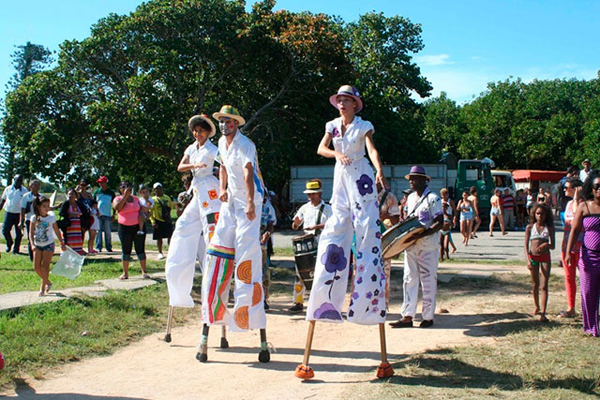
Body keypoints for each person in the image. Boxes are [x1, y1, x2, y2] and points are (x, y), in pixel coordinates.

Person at [199, 105, 268, 357]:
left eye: (229, 121)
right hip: (230, 203)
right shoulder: (221, 142)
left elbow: (249, 173)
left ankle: (248, 316)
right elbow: (223, 167)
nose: (226, 125)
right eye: (223, 121)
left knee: (247, 256)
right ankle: (213, 313)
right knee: (217, 252)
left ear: (237, 124)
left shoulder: (246, 145)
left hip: (249, 202)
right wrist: (222, 188)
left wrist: (250, 202)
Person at [166, 114, 221, 309]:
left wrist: (225, 187)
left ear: (207, 131)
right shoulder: (191, 148)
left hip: (210, 191)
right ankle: (178, 281)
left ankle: (214, 276)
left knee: (210, 232)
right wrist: (194, 165)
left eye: (201, 131)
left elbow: (225, 164)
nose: (198, 134)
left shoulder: (214, 149)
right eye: (195, 131)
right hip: (196, 189)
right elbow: (181, 166)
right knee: (182, 225)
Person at [390, 166, 443, 328]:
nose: (411, 182)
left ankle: (427, 316)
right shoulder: (410, 198)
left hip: (427, 246)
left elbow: (439, 222)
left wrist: (422, 234)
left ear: (424, 180)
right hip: (411, 245)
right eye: (410, 179)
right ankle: (407, 316)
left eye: (415, 178)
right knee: (409, 279)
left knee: (428, 281)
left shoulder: (433, 199)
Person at [289, 179, 332, 313]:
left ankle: (322, 301)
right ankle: (298, 301)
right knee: (300, 273)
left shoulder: (327, 209)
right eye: (309, 194)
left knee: (321, 274)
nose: (310, 197)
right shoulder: (304, 208)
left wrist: (317, 227)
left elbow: (333, 224)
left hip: (321, 242)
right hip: (305, 244)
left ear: (319, 194)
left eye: (313, 194)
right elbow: (295, 225)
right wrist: (295, 224)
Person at [566, 171, 600, 336]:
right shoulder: (584, 206)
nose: (599, 190)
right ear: (591, 189)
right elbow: (574, 230)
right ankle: (591, 326)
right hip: (589, 256)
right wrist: (567, 252)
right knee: (588, 292)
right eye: (596, 187)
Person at [524, 203, 555, 323]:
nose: (540, 216)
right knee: (535, 284)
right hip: (533, 257)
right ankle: (536, 306)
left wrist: (546, 244)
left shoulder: (549, 228)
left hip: (545, 257)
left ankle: (543, 311)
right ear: (534, 214)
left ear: (546, 215)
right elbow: (526, 245)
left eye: (542, 213)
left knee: (544, 285)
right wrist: (528, 260)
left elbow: (553, 245)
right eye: (537, 213)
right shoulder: (530, 228)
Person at [29, 196, 66, 296]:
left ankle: (42, 288)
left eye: (48, 206)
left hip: (48, 244)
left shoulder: (51, 217)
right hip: (37, 244)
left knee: (45, 267)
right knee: (36, 267)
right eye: (44, 206)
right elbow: (31, 232)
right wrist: (32, 244)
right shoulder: (34, 218)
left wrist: (61, 242)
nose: (47, 208)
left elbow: (56, 230)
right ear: (38, 207)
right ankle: (48, 282)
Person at [113, 181, 148, 279]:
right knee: (126, 249)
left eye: (128, 187)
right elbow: (117, 208)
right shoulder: (118, 198)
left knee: (140, 248)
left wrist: (146, 212)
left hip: (137, 227)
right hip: (124, 228)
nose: (126, 188)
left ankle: (144, 271)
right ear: (120, 189)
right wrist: (125, 197)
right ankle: (125, 273)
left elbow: (143, 209)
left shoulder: (136, 199)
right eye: (123, 187)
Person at [559, 177, 583, 318]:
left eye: (567, 187)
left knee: (586, 277)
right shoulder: (568, 204)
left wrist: (576, 198)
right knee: (569, 277)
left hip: (580, 246)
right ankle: (571, 307)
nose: (564, 189)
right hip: (567, 246)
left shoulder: (583, 204)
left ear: (575, 189)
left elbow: (576, 216)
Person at [378, 182, 400, 307]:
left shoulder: (389, 197)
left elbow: (396, 219)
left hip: (383, 240)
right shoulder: (363, 195)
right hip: (364, 240)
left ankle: (382, 306)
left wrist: (382, 216)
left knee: (384, 273)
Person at [1, 175, 28, 254]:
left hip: (19, 214)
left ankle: (16, 250)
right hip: (8, 212)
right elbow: (3, 200)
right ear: (14, 180)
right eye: (17, 180)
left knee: (19, 233)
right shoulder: (8, 189)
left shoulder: (24, 191)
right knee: (5, 230)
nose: (19, 182)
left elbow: (26, 203)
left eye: (20, 181)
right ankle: (9, 243)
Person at [59, 188, 89, 255]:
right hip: (68, 227)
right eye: (69, 194)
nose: (71, 195)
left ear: (76, 195)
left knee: (77, 239)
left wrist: (80, 216)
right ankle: (67, 252)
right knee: (68, 240)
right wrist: (70, 214)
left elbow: (85, 212)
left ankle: (77, 252)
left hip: (77, 228)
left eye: (72, 194)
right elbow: (61, 213)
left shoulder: (78, 204)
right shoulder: (66, 204)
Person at [260, 194, 277, 309]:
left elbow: (271, 225)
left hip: (262, 246)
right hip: (245, 246)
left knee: (264, 272)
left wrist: (268, 233)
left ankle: (264, 299)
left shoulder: (267, 207)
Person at [150, 182, 173, 260]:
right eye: (156, 188)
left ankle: (171, 251)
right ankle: (160, 252)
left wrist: (168, 217)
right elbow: (150, 211)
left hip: (166, 220)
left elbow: (170, 207)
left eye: (160, 188)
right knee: (159, 238)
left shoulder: (167, 198)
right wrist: (153, 221)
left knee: (170, 236)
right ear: (154, 190)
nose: (158, 190)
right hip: (158, 220)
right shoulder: (152, 200)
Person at [93, 176, 115, 252]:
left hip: (108, 214)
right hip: (98, 214)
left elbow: (114, 204)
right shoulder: (97, 192)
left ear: (106, 183)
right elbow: (93, 203)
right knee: (98, 232)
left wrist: (114, 214)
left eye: (102, 182)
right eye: (100, 183)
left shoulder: (111, 193)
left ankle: (108, 247)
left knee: (108, 231)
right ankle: (98, 247)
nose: (101, 184)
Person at [20, 179, 41, 260]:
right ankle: (32, 257)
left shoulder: (41, 197)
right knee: (31, 238)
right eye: (35, 185)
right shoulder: (26, 196)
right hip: (29, 219)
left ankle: (39, 256)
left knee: (39, 238)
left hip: (39, 220)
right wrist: (21, 221)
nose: (37, 187)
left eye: (38, 185)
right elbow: (23, 209)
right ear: (30, 187)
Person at [78, 178, 99, 254]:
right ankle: (80, 248)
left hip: (89, 215)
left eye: (84, 185)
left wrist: (97, 210)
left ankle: (90, 248)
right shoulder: (78, 194)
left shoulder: (89, 195)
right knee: (82, 232)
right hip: (81, 216)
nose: (82, 186)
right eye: (81, 184)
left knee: (92, 233)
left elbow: (93, 202)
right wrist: (77, 190)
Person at [439, 188, 456, 261]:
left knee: (446, 244)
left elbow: (454, 211)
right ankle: (441, 257)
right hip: (441, 228)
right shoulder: (440, 202)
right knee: (440, 244)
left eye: (445, 195)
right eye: (442, 195)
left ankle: (447, 255)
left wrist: (454, 219)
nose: (443, 197)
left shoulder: (450, 202)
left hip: (447, 226)